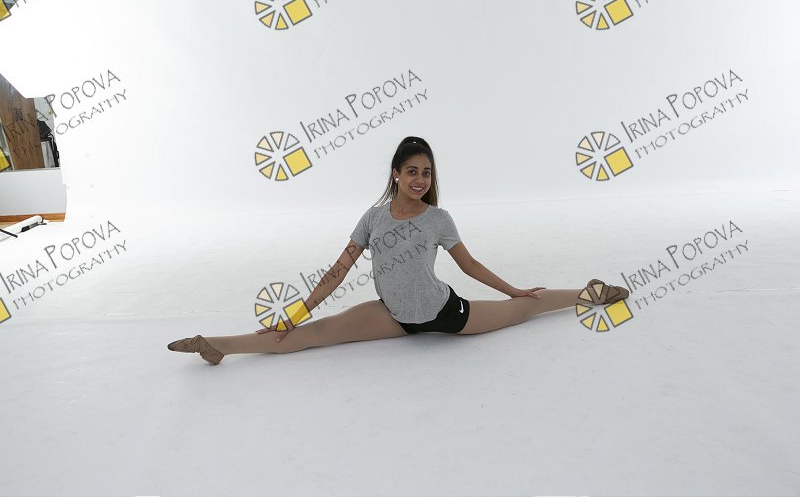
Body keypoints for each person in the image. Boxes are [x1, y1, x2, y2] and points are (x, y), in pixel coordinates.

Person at [167, 136, 628, 365]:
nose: (420, 180)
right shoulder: (373, 217)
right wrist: (295, 313)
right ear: (395, 174)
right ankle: (219, 345)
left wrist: (513, 290)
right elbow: (337, 272)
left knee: (522, 310)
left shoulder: (438, 219)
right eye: (412, 171)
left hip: (445, 313)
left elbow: (470, 265)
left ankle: (589, 292)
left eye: (426, 172)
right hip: (394, 315)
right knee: (309, 334)